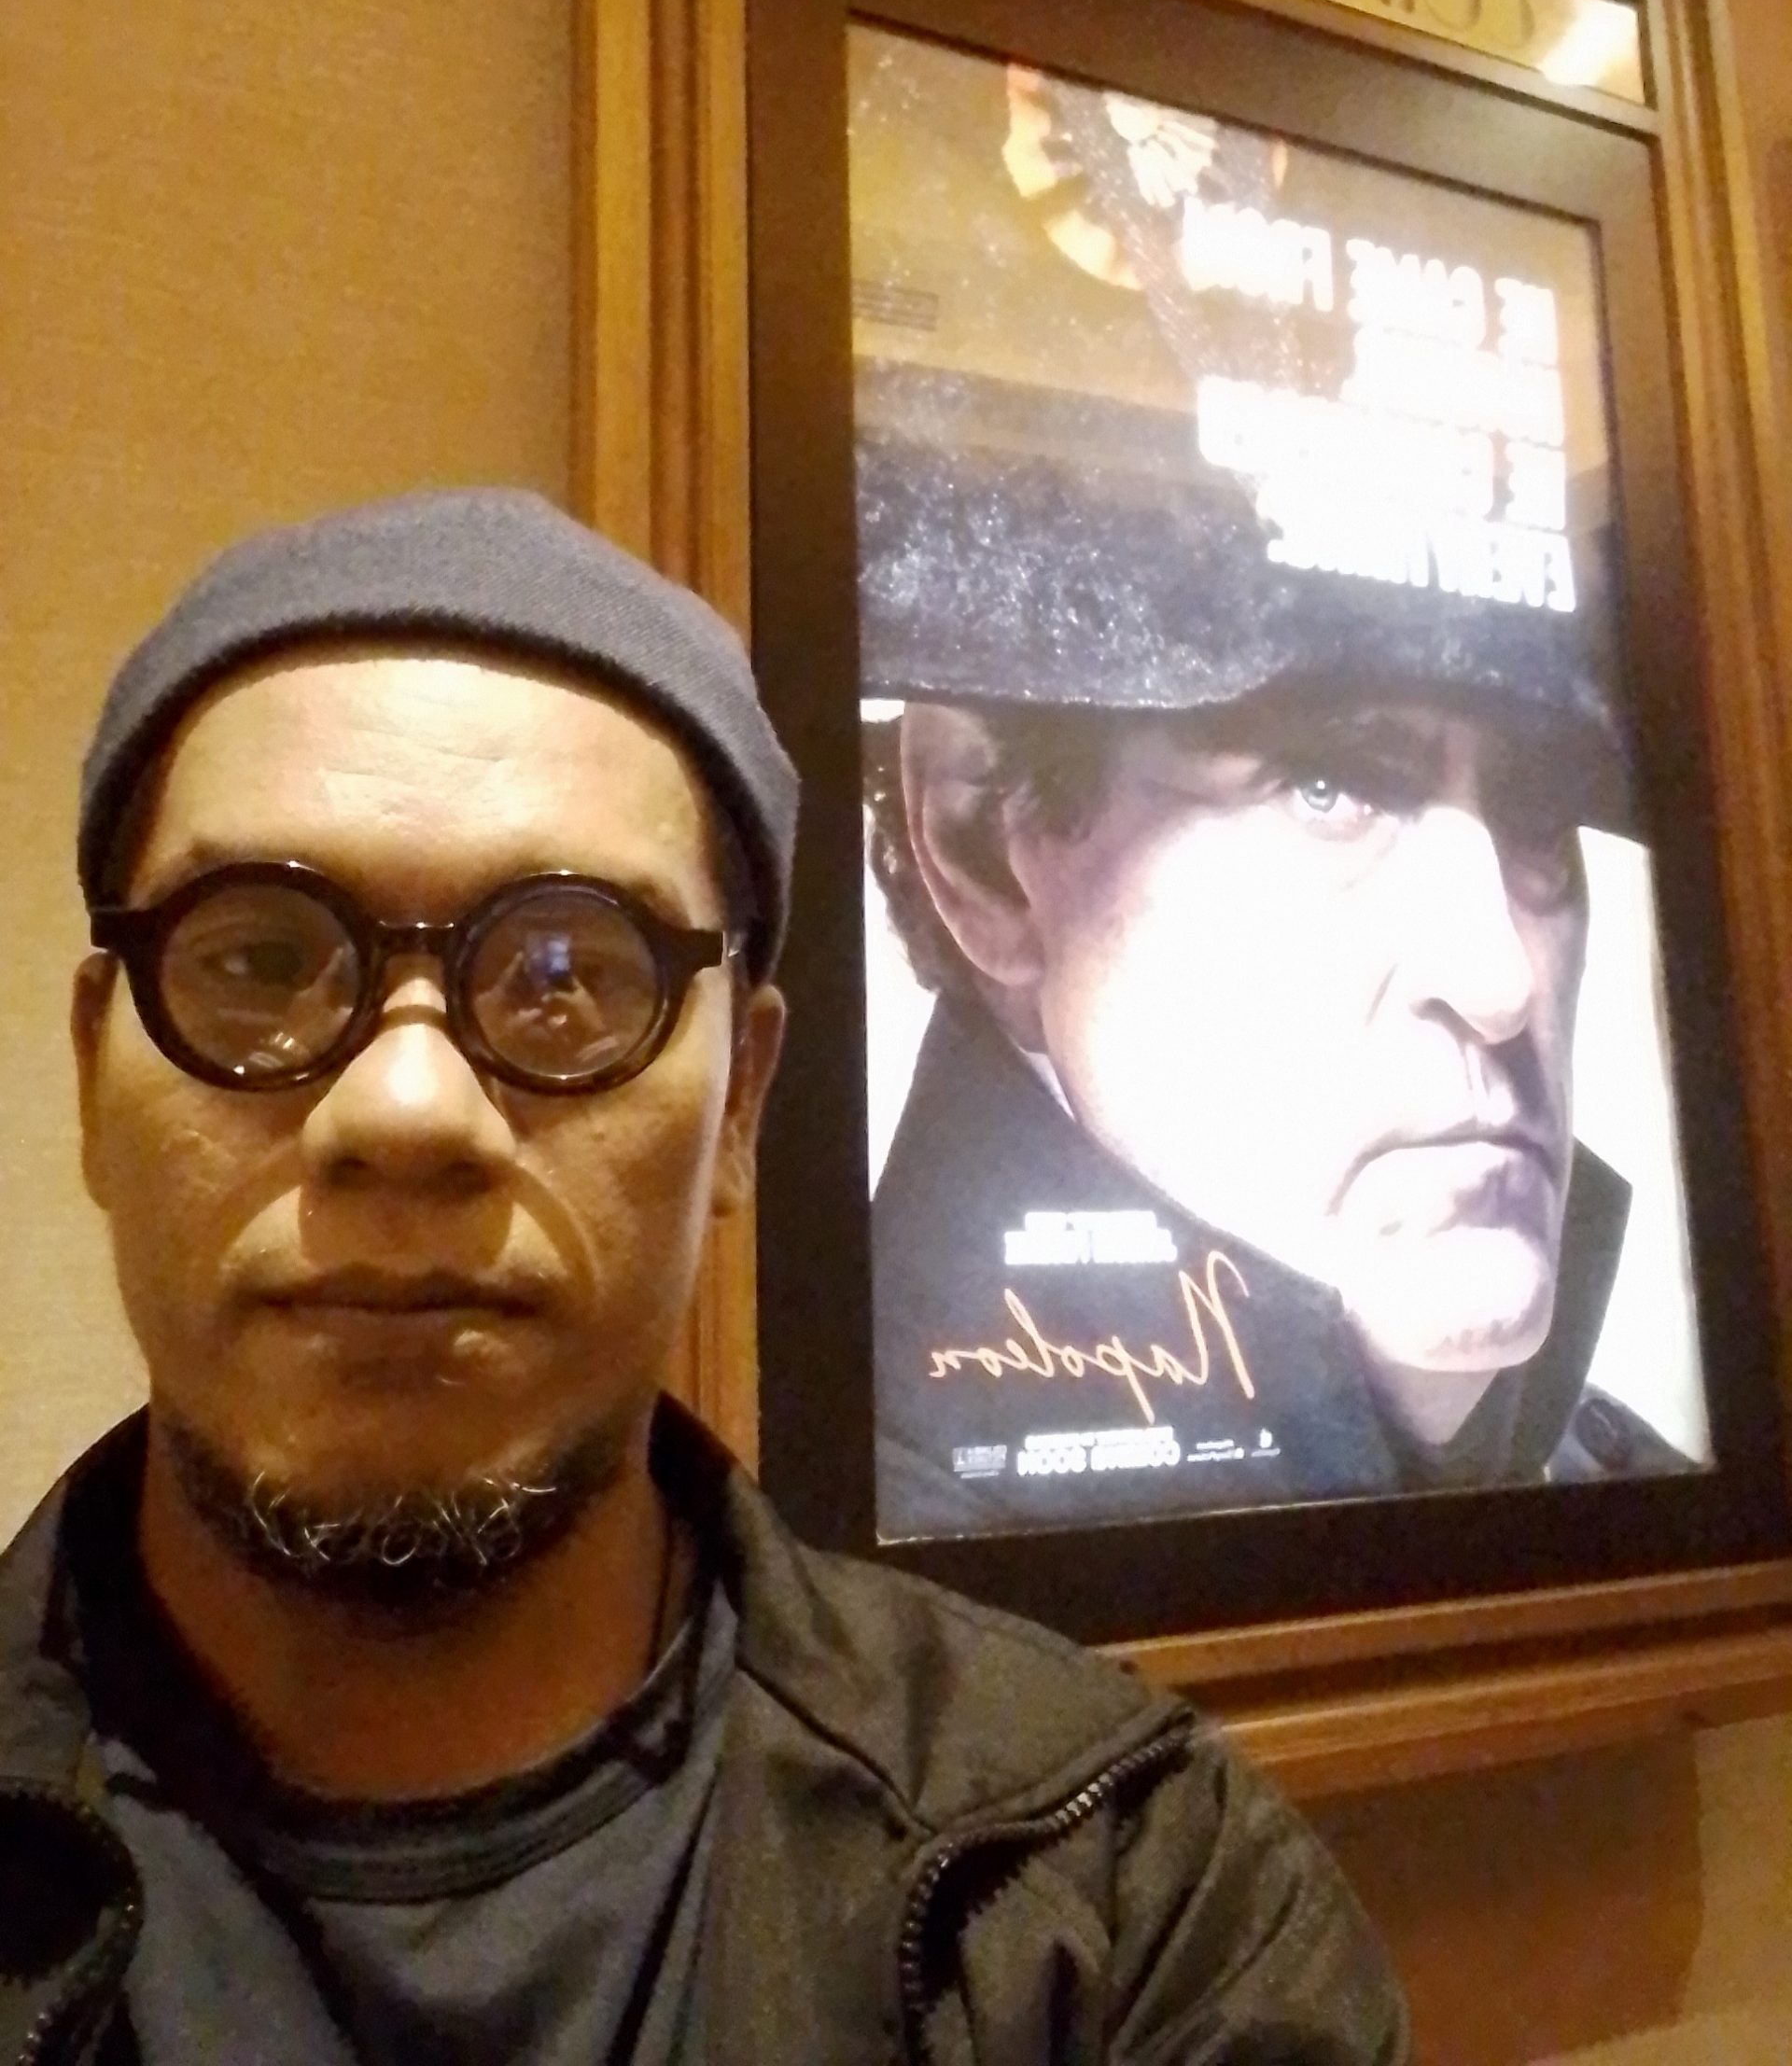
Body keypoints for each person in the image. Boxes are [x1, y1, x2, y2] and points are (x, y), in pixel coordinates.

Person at [0, 488, 1407, 2064]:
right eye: (259, 960)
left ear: (741, 1104)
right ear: (90, 1073)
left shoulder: (1127, 1906)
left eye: (564, 974)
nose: (404, 1111)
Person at [856, 67, 1695, 1535]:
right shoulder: (889, 1561)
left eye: (1535, 817)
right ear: (984, 843)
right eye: (1329, 786)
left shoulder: (1622, 1489)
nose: (1500, 977)